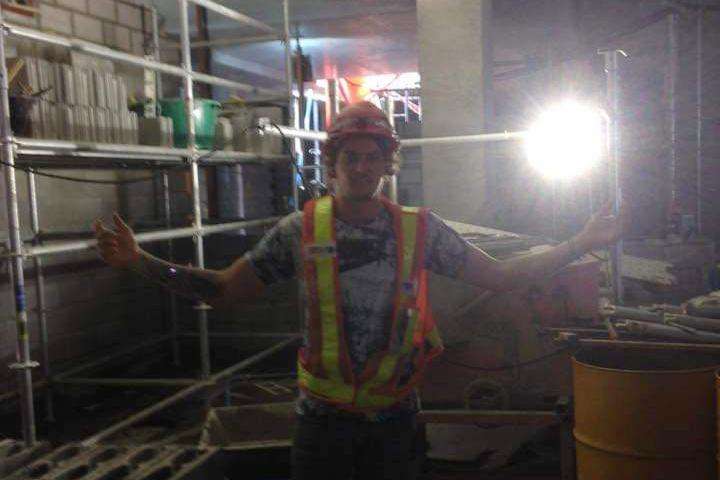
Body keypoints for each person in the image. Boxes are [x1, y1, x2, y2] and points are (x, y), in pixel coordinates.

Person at [94, 101, 628, 479]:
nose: (363, 167)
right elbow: (224, 291)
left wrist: (579, 241)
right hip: (320, 422)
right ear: (333, 163)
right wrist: (140, 261)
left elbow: (503, 277)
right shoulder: (299, 230)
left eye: (373, 157)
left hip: (395, 420)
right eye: (352, 157)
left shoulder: (420, 229)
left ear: (387, 164)